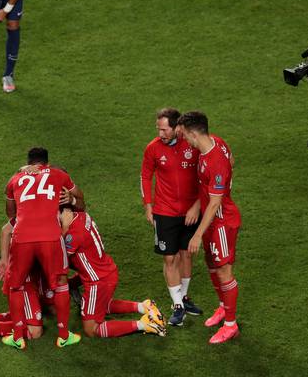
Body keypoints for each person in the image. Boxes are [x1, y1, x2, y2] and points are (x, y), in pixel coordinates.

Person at [3, 147, 84, 349]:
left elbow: (10, 213)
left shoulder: (15, 179)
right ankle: (64, 335)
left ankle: (17, 337)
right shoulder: (59, 175)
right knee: (61, 282)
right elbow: (81, 201)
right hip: (50, 235)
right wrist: (70, 200)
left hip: (22, 237)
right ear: (47, 162)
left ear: (28, 162)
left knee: (16, 285)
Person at [177, 111, 241, 344]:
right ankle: (224, 307)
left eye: (185, 135)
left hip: (222, 222)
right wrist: (197, 204)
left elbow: (215, 203)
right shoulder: (215, 143)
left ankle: (231, 325)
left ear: (194, 134)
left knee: (224, 271)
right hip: (211, 218)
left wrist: (197, 235)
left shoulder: (215, 161)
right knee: (212, 265)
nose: (184, 140)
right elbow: (232, 161)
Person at [60, 207, 166, 338]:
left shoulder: (73, 233)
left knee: (91, 328)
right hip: (104, 270)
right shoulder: (82, 216)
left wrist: (64, 228)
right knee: (101, 306)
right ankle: (144, 307)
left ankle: (145, 324)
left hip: (97, 281)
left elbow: (59, 257)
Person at [140, 108, 203, 325]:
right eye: (158, 129)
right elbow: (146, 177)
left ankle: (184, 298)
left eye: (164, 129)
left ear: (177, 128)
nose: (160, 134)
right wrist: (148, 205)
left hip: (190, 213)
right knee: (170, 257)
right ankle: (177, 304)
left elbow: (207, 174)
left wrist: (197, 205)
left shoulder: (193, 145)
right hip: (164, 212)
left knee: (186, 255)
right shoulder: (153, 148)